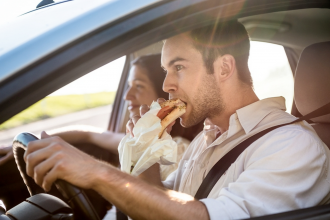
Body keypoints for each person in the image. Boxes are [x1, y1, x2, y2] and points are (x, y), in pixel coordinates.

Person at [24, 20, 330, 220]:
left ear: (223, 69)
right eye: (166, 69)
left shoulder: (291, 145)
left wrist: (96, 172)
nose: (167, 84)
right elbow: (161, 201)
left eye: (178, 67)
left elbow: (204, 217)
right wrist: (147, 154)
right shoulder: (207, 137)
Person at [0, 54, 202, 211]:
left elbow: (159, 206)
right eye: (129, 85)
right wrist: (28, 144)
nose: (127, 95)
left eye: (139, 86)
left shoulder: (178, 150)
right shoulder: (136, 141)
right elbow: (90, 134)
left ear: (163, 94)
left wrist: (94, 171)